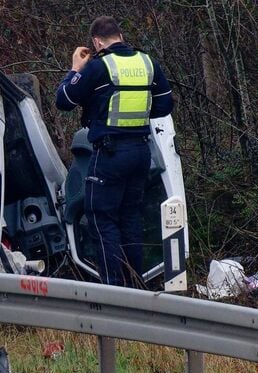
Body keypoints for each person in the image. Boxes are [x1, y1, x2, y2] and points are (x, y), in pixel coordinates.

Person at [55, 16, 173, 287]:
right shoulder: (148, 63)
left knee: (101, 218)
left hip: (110, 154)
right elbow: (165, 106)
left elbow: (64, 100)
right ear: (120, 36)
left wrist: (75, 69)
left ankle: (114, 291)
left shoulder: (98, 67)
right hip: (141, 153)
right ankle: (136, 287)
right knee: (130, 217)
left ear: (96, 42)